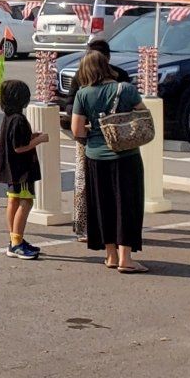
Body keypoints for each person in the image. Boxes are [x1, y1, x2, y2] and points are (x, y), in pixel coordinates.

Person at [70, 49, 147, 273]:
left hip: (95, 156)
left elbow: (77, 130)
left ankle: (111, 255)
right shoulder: (126, 89)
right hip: (127, 155)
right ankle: (126, 258)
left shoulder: (83, 94)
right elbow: (143, 115)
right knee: (127, 205)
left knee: (103, 206)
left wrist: (94, 128)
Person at [0, 79, 47, 260]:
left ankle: (15, 238)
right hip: (22, 170)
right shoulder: (19, 119)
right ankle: (16, 243)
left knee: (13, 201)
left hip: (10, 169)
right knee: (26, 202)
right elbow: (20, 147)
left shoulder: (8, 118)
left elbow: (15, 141)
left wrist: (31, 136)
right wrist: (38, 140)